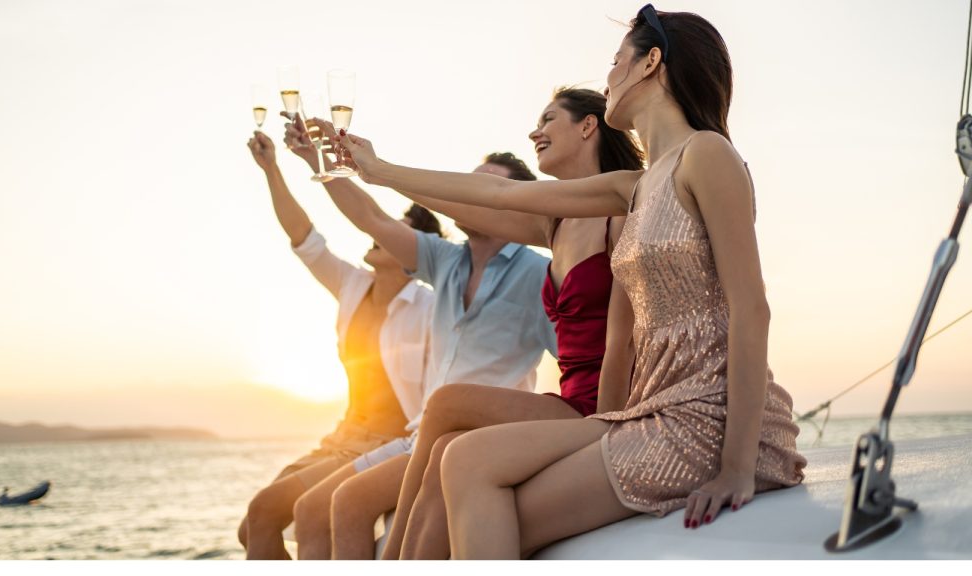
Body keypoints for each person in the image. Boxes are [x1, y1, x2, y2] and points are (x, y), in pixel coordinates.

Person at [337, 4, 807, 559]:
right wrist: (378, 169)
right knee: (462, 457)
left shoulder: (706, 155)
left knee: (475, 479)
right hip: (647, 412)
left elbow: (752, 310)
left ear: (651, 62)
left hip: (706, 418)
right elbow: (502, 196)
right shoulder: (634, 186)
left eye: (616, 61)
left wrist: (735, 468)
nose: (607, 76)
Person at [374, 87, 645, 560]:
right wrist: (377, 172)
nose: (534, 131)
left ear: (588, 126)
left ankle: (392, 562)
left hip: (601, 407)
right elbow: (472, 201)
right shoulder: (555, 222)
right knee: (445, 450)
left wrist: (607, 425)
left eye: (548, 118)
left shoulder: (621, 209)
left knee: (446, 404)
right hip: (569, 398)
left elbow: (624, 338)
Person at [282, 114, 558, 560]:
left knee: (348, 502)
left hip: (476, 439)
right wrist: (315, 159)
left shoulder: (539, 274)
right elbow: (371, 217)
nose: (465, 196)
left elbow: (577, 359)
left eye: (485, 189)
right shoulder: (443, 259)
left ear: (514, 205)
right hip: (420, 434)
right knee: (314, 508)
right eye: (465, 186)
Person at [237, 130, 442, 560]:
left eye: (395, 231)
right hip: (342, 436)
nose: (377, 233)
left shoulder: (428, 307)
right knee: (250, 527)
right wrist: (272, 168)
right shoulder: (353, 286)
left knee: (264, 511)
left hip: (388, 442)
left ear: (411, 253)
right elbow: (304, 237)